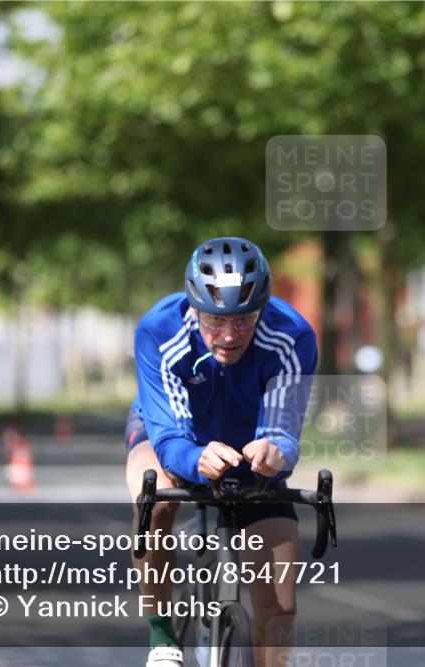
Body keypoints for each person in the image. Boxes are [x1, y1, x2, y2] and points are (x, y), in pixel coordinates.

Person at [126, 237, 317, 667]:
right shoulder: (158, 330)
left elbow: (283, 432)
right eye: (214, 320)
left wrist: (276, 453)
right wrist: (194, 460)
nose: (229, 335)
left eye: (245, 319)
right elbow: (170, 439)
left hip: (247, 447)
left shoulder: (293, 335)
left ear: (263, 309)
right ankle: (162, 639)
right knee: (151, 497)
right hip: (170, 432)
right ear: (193, 307)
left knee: (280, 606)